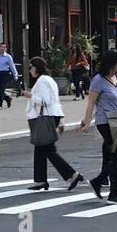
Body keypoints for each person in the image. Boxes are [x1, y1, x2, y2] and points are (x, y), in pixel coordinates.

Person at [80, 51, 117, 204]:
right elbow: (91, 102)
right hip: (105, 122)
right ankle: (111, 193)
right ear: (110, 63)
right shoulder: (98, 80)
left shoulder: (114, 78)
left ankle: (101, 183)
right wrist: (86, 122)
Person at [23, 57, 84, 192]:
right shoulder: (50, 80)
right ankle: (40, 181)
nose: (30, 70)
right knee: (41, 149)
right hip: (52, 116)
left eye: (31, 67)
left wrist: (29, 95)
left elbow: (46, 101)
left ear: (37, 68)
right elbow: (55, 101)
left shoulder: (42, 81)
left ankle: (72, 175)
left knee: (48, 150)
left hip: (45, 117)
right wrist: (61, 121)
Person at [0, 44, 18, 110]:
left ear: (6, 49)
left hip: (4, 74)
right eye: (1, 47)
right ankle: (8, 98)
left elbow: (12, 66)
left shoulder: (8, 57)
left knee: (2, 89)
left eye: (3, 47)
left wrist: (15, 75)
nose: (2, 48)